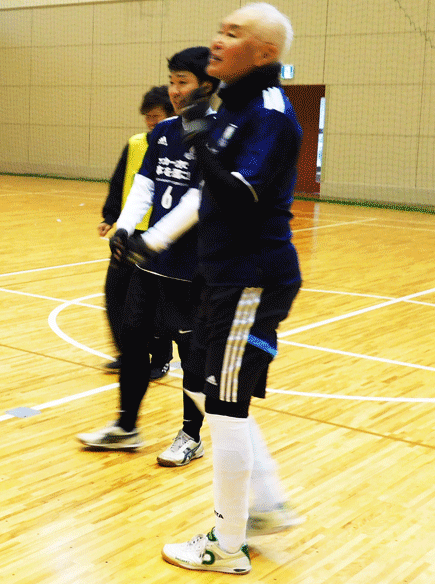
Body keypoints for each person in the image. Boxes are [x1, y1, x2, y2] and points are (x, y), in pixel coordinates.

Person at [161, 4, 304, 574]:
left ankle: (226, 546)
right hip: (219, 275)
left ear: (264, 52)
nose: (217, 41)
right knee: (201, 383)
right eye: (219, 30)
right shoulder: (232, 106)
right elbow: (207, 193)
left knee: (224, 404)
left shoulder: (269, 114)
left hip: (251, 278)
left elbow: (240, 196)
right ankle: (265, 504)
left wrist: (197, 139)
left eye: (233, 34)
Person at [78, 48, 219, 468]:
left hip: (191, 269)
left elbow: (199, 199)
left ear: (206, 85)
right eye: (171, 82)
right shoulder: (164, 131)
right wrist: (124, 228)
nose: (174, 90)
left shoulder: (219, 134)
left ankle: (191, 436)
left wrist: (154, 239)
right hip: (150, 265)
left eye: (183, 82)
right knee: (133, 341)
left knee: (192, 356)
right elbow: (145, 185)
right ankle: (126, 426)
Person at [98, 86, 175, 380]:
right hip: (128, 233)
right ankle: (128, 353)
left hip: (158, 236)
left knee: (153, 303)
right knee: (114, 294)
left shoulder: (176, 145)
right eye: (147, 117)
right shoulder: (135, 144)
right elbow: (120, 182)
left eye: (156, 116)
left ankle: (161, 359)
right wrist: (111, 216)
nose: (150, 122)